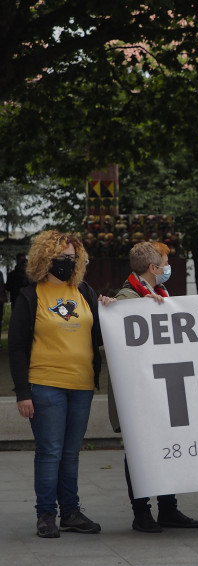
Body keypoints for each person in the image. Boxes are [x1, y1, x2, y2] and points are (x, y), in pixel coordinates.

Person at [9, 230, 115, 538]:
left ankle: (71, 512)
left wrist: (110, 305)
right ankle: (46, 516)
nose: (68, 263)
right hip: (45, 385)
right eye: (61, 258)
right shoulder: (31, 295)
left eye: (72, 257)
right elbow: (16, 347)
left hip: (81, 385)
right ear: (45, 258)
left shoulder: (84, 290)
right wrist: (23, 393)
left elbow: (103, 328)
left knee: (70, 452)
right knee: (50, 451)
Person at [108, 241, 198, 532]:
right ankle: (142, 512)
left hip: (160, 388)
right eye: (164, 263)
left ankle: (168, 507)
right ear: (152, 268)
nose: (167, 269)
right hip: (139, 392)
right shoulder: (127, 299)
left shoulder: (157, 295)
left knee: (164, 446)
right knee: (138, 451)